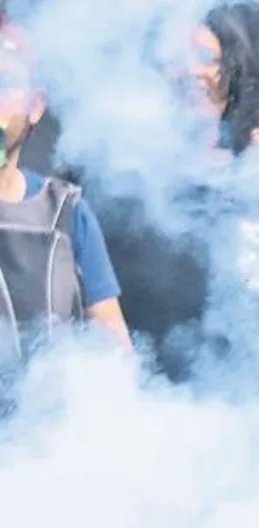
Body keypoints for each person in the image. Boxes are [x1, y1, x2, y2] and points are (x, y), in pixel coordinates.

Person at [0, 21, 130, 361]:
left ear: (35, 106)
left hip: (52, 395)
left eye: (4, 83)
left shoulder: (68, 212)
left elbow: (116, 351)